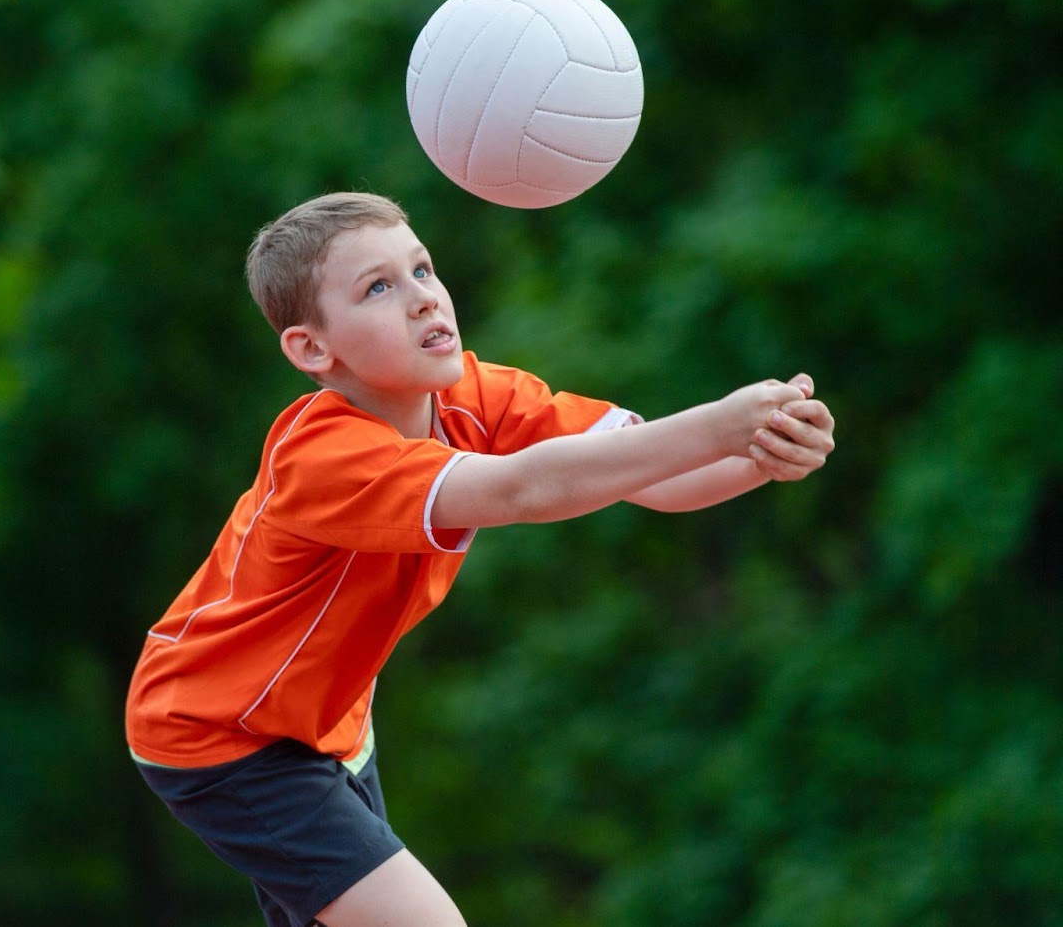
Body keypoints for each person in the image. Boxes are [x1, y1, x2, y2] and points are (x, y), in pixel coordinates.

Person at [124, 192, 835, 927]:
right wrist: (720, 424)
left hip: (330, 727)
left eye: (422, 269)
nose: (422, 299)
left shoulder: (474, 395)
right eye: (379, 287)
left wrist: (762, 450)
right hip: (220, 734)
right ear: (312, 349)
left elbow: (652, 474)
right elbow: (526, 488)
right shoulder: (321, 456)